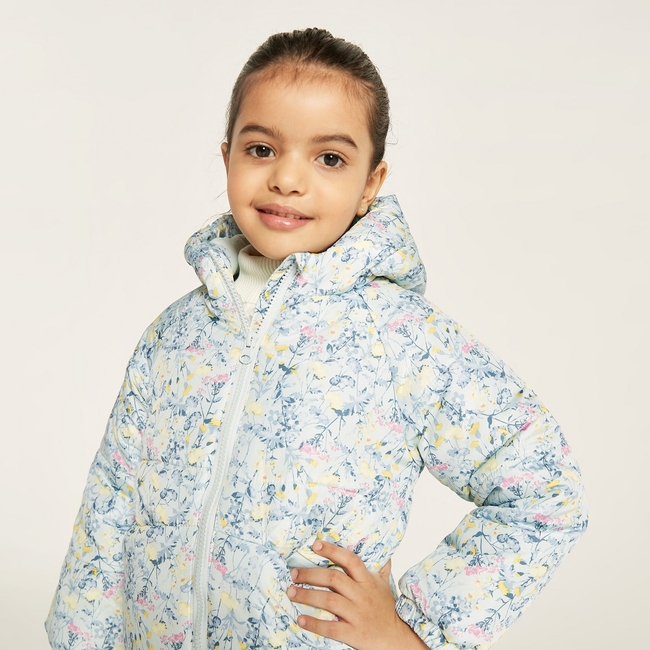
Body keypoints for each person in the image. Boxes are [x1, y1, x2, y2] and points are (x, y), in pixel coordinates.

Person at [46, 27, 588, 650]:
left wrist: (411, 632)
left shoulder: (402, 338)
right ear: (226, 157)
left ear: (370, 185)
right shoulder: (174, 335)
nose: (287, 179)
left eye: (329, 158)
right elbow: (110, 504)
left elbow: (545, 490)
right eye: (261, 149)